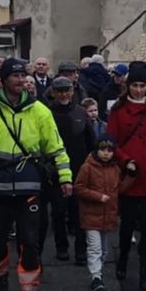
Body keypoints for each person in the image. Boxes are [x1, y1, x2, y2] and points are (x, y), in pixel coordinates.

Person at [0, 58, 72, 291]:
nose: (21, 80)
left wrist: (66, 179)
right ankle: (0, 273)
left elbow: (56, 148)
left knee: (29, 241)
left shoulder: (40, 111)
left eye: (23, 75)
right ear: (3, 80)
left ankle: (28, 289)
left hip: (30, 187)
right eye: (14, 76)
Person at [106, 63, 146, 291]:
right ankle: (122, 259)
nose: (139, 90)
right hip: (129, 174)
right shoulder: (118, 109)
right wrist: (125, 161)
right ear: (128, 85)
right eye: (135, 85)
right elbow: (111, 141)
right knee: (127, 225)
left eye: (143, 85)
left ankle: (145, 272)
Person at [74, 134, 134, 291]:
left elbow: (120, 189)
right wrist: (97, 196)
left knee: (104, 250)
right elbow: (79, 188)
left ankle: (98, 274)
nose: (106, 153)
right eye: (102, 149)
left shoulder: (115, 168)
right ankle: (96, 277)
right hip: (91, 215)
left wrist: (130, 176)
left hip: (108, 216)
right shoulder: (88, 167)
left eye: (110, 150)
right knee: (95, 248)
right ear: (96, 150)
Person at [40, 77, 92, 263]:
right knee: (59, 212)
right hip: (54, 171)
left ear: (72, 91)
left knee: (79, 213)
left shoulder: (80, 112)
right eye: (60, 91)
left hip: (78, 169)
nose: (64, 94)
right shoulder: (46, 113)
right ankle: (61, 247)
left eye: (67, 90)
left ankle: (80, 250)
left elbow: (91, 142)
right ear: (53, 92)